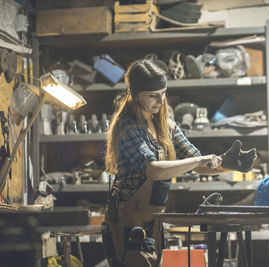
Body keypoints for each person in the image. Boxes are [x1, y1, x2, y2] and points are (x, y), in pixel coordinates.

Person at [102, 59, 257, 267]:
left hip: (153, 219)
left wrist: (225, 164)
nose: (160, 100)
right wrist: (198, 160)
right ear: (134, 94)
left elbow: (197, 162)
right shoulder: (128, 128)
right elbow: (154, 170)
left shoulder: (166, 125)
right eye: (153, 96)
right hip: (127, 221)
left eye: (163, 93)